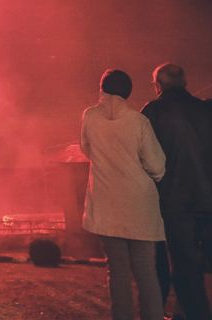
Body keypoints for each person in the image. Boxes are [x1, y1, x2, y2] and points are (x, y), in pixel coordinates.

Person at [81, 69, 166, 320]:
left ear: (102, 89)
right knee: (146, 273)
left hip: (106, 205)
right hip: (139, 206)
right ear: (128, 92)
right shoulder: (139, 122)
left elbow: (87, 149)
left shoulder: (90, 116)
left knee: (117, 273)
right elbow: (156, 165)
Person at [142, 63, 212, 319]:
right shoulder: (207, 109)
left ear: (158, 85)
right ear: (184, 83)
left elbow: (145, 160)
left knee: (185, 268)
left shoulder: (152, 113)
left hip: (175, 202)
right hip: (208, 198)